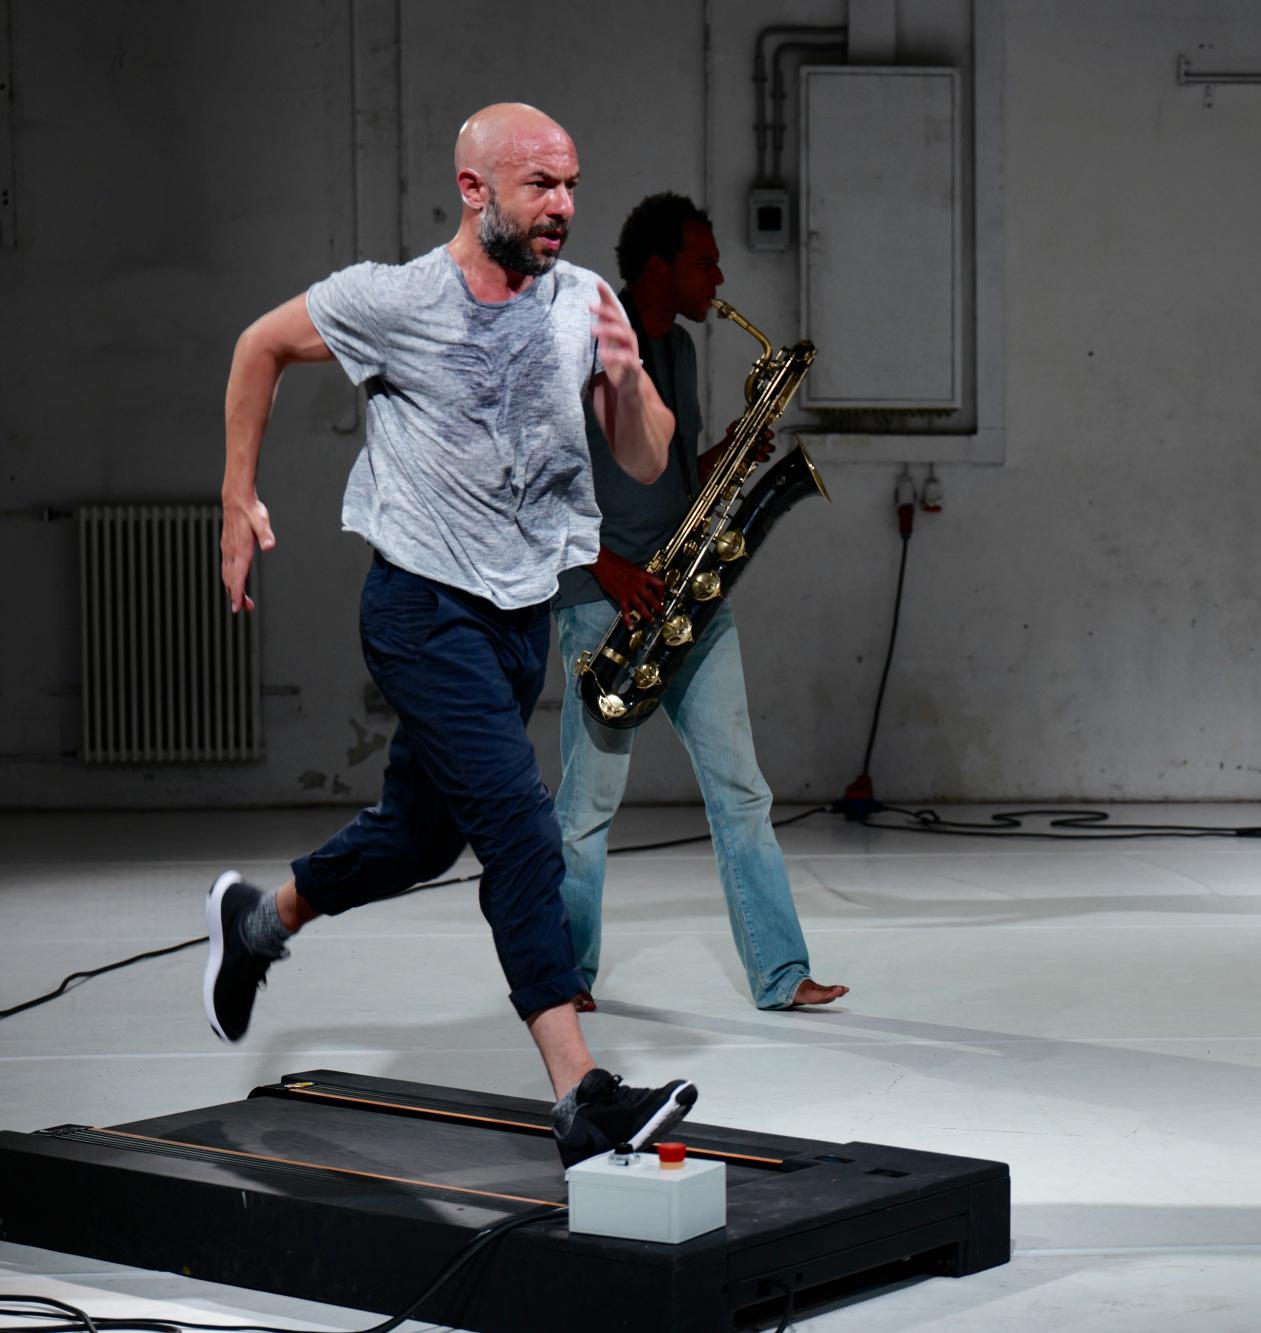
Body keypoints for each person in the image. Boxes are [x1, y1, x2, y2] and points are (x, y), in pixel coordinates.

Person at [207, 103, 695, 1165]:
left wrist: (628, 379)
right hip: (422, 611)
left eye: (571, 185)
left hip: (519, 620)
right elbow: (259, 346)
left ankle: (257, 922)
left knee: (420, 837)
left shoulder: (585, 302)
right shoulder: (394, 300)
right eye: (540, 186)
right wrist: (238, 495)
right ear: (475, 191)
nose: (563, 206)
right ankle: (581, 1093)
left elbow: (647, 458)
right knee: (521, 828)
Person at [552, 192, 847, 1011]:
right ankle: (564, 978)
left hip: (682, 593)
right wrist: (610, 570)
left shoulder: (678, 350)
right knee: (586, 805)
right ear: (658, 266)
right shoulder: (583, 346)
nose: (718, 280)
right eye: (704, 263)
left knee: (742, 789)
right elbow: (536, 483)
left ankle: (781, 974)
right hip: (602, 599)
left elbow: (674, 478)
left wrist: (730, 451)